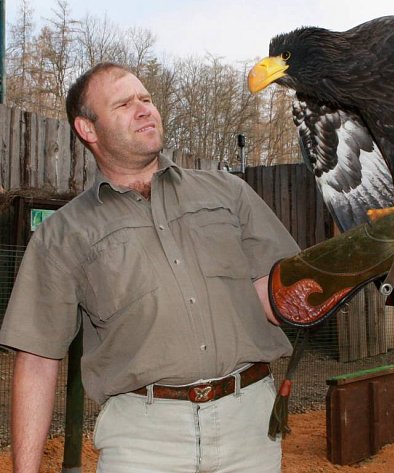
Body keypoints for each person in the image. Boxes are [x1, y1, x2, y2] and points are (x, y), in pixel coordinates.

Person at [0, 62, 300, 472]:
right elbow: (37, 359)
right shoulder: (62, 233)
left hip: (249, 427)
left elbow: (278, 297)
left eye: (147, 99)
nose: (145, 109)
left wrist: (356, 258)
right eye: (124, 103)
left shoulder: (228, 193)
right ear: (88, 129)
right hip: (143, 441)